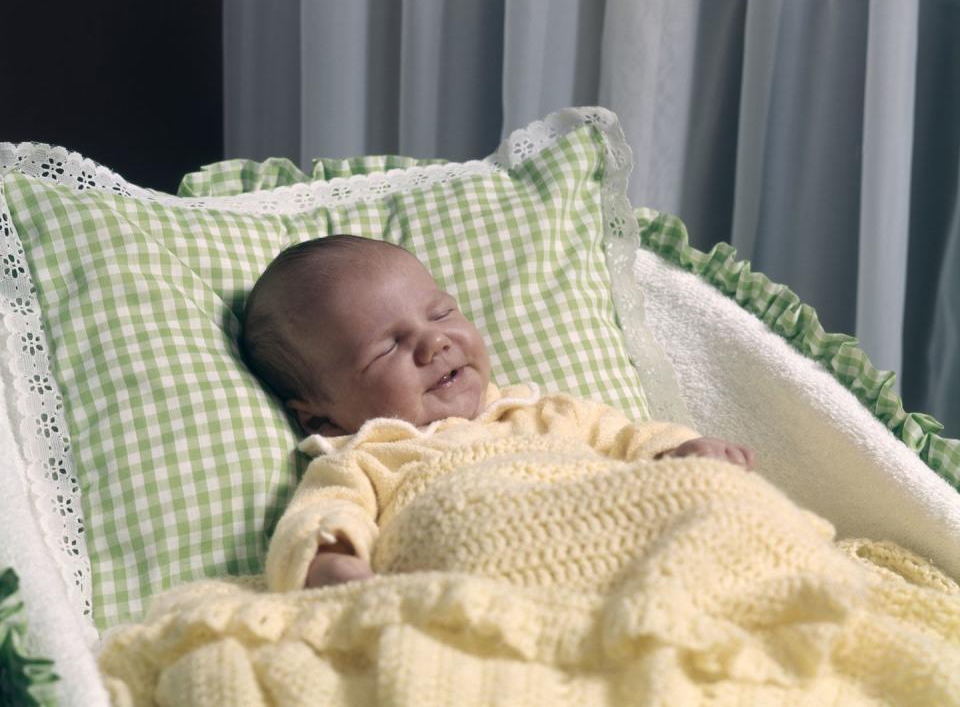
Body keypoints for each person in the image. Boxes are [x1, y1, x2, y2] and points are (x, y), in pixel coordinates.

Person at [242, 235, 756, 591]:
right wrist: (329, 561)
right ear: (321, 419)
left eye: (441, 313)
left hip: (622, 556)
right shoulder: (368, 459)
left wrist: (685, 452)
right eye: (387, 348)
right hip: (478, 585)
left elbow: (632, 440)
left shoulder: (547, 413)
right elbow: (323, 515)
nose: (434, 342)